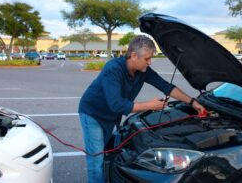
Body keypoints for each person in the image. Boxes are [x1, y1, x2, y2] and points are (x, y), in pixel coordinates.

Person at [78, 35, 206, 183]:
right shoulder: (113, 69)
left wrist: (192, 102)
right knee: (96, 158)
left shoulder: (143, 70)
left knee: (106, 151)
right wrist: (150, 105)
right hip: (93, 114)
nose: (149, 62)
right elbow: (117, 104)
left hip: (111, 116)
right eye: (147, 58)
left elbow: (165, 86)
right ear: (134, 55)